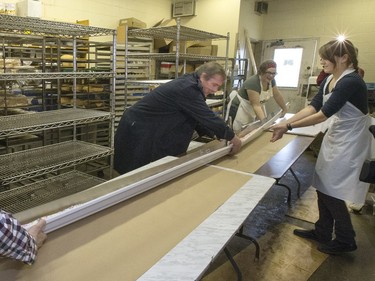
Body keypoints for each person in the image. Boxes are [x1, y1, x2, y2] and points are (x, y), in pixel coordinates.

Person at [270, 39, 371, 254]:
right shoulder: (330, 80)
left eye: (326, 57)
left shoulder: (351, 81)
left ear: (344, 58)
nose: (322, 61)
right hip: (337, 136)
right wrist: (284, 123)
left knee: (332, 190)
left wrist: (288, 126)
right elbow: (313, 106)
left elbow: (323, 114)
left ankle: (346, 239)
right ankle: (322, 231)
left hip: (351, 141)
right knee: (323, 184)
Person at [114, 61, 242, 174]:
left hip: (149, 125)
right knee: (137, 170)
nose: (215, 90)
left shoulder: (194, 84)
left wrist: (214, 134)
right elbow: (207, 117)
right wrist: (233, 138)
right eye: (214, 85)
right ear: (203, 77)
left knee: (153, 167)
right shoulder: (188, 88)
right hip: (139, 127)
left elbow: (195, 116)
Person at [226, 59, 288, 133]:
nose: (271, 76)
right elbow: (256, 105)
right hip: (240, 109)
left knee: (248, 132)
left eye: (274, 73)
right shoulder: (253, 82)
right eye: (269, 73)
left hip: (251, 110)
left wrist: (284, 108)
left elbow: (277, 95)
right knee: (238, 133)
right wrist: (265, 123)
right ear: (261, 72)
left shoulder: (271, 81)